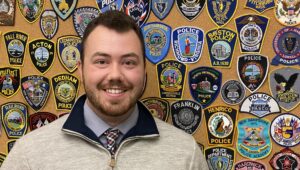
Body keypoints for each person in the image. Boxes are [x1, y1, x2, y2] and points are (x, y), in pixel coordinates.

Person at [1, 11, 208, 170]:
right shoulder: (30, 155)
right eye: (101, 61)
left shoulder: (185, 155)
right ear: (80, 70)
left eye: (128, 62)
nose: (115, 74)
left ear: (144, 71)